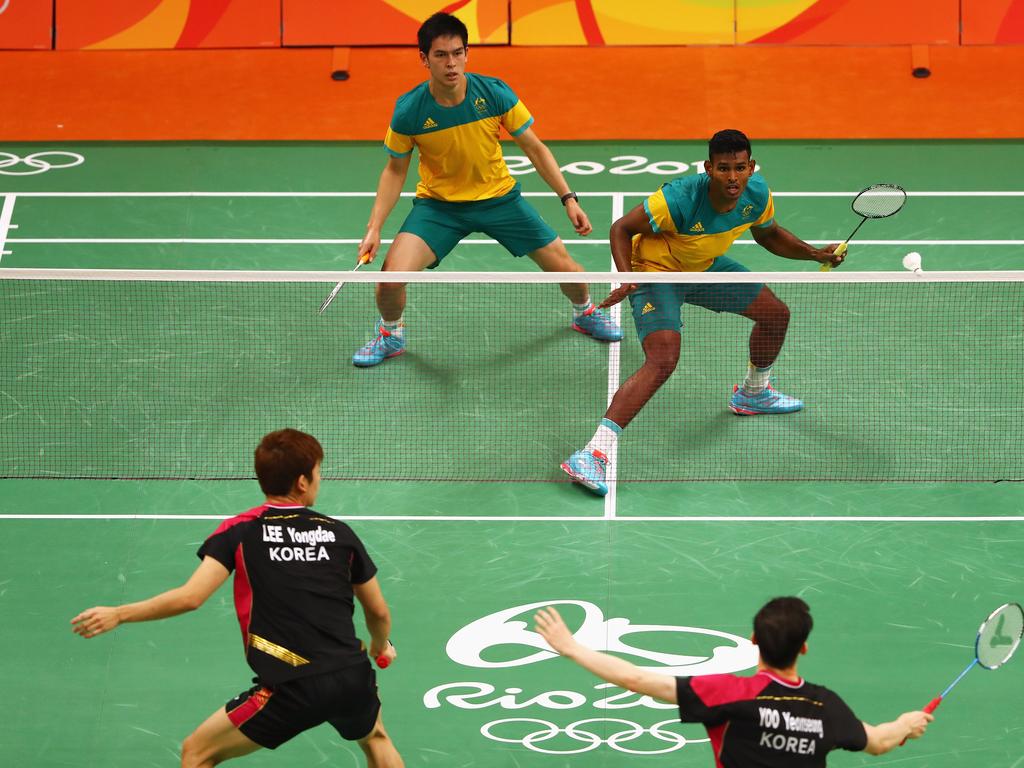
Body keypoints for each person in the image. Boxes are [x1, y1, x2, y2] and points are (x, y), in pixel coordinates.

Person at [71, 429, 403, 768]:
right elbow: (377, 611)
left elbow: (190, 597)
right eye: (318, 472)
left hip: (293, 685)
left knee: (197, 752)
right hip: (351, 674)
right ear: (302, 482)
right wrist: (380, 645)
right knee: (375, 738)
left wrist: (119, 613)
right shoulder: (339, 533)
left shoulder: (240, 531)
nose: (320, 479)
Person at [562, 129, 841, 495]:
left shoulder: (756, 195)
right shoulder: (678, 199)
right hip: (654, 271)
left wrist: (816, 253)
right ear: (709, 168)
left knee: (775, 314)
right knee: (662, 359)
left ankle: (753, 393)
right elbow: (621, 228)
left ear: (750, 167)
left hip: (702, 267)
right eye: (723, 168)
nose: (732, 177)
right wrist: (627, 276)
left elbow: (769, 235)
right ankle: (593, 453)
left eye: (740, 168)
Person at [351, 11, 621, 367]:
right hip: (440, 207)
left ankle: (583, 313)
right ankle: (390, 334)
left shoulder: (493, 93)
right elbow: (394, 171)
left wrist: (568, 198)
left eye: (458, 52)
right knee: (389, 281)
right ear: (424, 58)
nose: (452, 64)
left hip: (499, 200)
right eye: (441, 55)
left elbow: (535, 148)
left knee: (569, 270)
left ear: (467, 53)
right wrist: (374, 228)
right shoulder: (409, 111)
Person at [534, 596, 932, 766]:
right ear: (804, 648)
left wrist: (572, 647)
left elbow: (637, 679)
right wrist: (907, 724)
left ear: (754, 641)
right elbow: (878, 741)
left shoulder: (728, 693)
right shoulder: (825, 706)